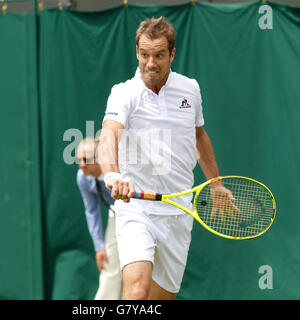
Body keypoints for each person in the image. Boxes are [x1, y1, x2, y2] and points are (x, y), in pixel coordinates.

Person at [97, 17, 235, 300]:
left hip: (179, 210)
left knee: (161, 299)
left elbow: (199, 136)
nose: (150, 63)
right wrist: (112, 174)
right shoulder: (123, 93)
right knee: (136, 290)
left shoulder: (190, 90)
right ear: (137, 52)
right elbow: (109, 134)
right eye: (145, 54)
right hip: (136, 208)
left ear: (172, 54)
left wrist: (216, 183)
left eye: (159, 55)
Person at [76, 137, 122, 300]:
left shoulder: (120, 169)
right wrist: (99, 246)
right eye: (78, 159)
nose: (82, 164)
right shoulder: (83, 177)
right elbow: (91, 210)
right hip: (116, 214)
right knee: (109, 263)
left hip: (140, 211)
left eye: (86, 159)